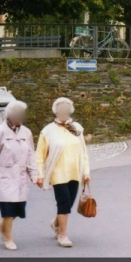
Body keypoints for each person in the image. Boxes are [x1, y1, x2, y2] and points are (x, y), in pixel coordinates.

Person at [36, 97, 90, 248]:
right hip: (58, 173)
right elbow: (39, 156)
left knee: (69, 203)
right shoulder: (47, 131)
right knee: (64, 201)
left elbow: (83, 152)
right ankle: (63, 235)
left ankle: (56, 223)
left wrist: (86, 172)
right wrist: (40, 174)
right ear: (56, 111)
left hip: (75, 172)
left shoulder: (77, 128)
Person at [0, 100, 37, 251]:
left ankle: (2, 226)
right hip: (4, 177)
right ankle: (8, 238)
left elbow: (31, 154)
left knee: (18, 209)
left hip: (20, 176)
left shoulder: (26, 132)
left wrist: (34, 174)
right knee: (8, 209)